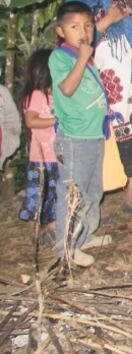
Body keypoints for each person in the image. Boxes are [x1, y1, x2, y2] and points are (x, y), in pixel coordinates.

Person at [66, 0, 132, 216]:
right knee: (103, 134)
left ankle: (130, 197)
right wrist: (108, 21)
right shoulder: (77, 4)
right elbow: (76, 42)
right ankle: (95, 203)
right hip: (99, 73)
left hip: (126, 68)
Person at [49, 1, 108, 268]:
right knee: (74, 192)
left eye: (88, 25)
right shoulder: (60, 57)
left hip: (93, 135)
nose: (83, 31)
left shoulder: (86, 58)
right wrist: (83, 58)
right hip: (74, 139)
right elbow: (68, 89)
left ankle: (84, 236)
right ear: (61, 31)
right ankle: (66, 247)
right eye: (75, 26)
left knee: (93, 190)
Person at [17, 49, 58, 241]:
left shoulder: (52, 94)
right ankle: (35, 231)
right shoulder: (36, 95)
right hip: (40, 157)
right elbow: (31, 121)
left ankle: (51, 227)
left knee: (53, 194)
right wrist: (56, 121)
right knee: (38, 195)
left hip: (55, 156)